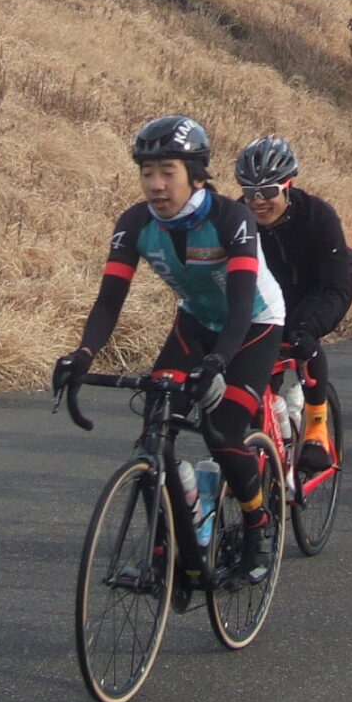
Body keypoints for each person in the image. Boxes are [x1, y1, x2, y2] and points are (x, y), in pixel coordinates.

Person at [57, 116, 287, 587]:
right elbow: (108, 301)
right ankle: (171, 544)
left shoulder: (230, 217)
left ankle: (257, 525)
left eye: (168, 171)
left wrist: (218, 362)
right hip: (197, 321)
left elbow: (242, 301)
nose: (156, 184)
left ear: (196, 175)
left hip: (255, 325)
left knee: (222, 432)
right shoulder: (135, 223)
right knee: (153, 435)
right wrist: (82, 355)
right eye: (147, 172)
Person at [233, 136, 352, 487]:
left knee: (303, 333)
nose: (258, 201)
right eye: (249, 190)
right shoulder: (238, 218)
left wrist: (309, 328)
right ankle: (267, 439)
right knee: (255, 359)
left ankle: (317, 424)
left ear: (288, 184)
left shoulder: (318, 216)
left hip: (323, 285)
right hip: (271, 295)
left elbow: (334, 286)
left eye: (268, 190)